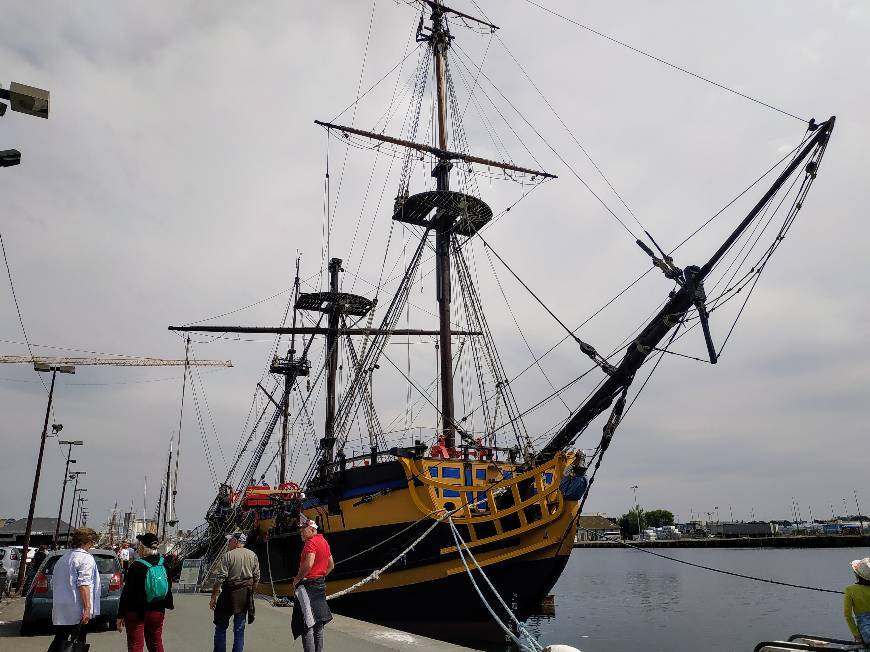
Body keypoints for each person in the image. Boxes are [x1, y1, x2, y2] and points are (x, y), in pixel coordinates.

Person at [117, 532, 174, 652]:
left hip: (136, 611)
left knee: (135, 645)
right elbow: (169, 585)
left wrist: (120, 614)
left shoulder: (136, 566)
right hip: (157, 609)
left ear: (143, 547)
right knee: (156, 642)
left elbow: (127, 593)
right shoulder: (163, 563)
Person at [49, 528, 100, 652]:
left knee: (61, 639)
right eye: (92, 542)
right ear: (88, 541)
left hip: (62, 605)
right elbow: (83, 584)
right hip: (77, 606)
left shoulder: (64, 558)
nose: (92, 546)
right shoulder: (86, 558)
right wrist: (87, 608)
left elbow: (53, 582)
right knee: (78, 642)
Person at [210, 532, 260, 652]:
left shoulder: (228, 555)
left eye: (230, 540)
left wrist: (213, 597)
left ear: (236, 541)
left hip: (229, 594)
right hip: (244, 595)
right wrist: (251, 593)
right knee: (239, 628)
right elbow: (257, 577)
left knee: (221, 627)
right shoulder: (252, 555)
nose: (229, 542)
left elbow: (220, 578)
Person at [291, 519, 334, 652]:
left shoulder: (311, 542)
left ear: (312, 530)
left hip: (307, 587)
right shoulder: (324, 542)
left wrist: (297, 579)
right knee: (319, 624)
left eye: (303, 529)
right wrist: (320, 576)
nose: (301, 532)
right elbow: (331, 565)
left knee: (307, 625)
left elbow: (309, 563)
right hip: (320, 586)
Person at [845, 557, 870, 646]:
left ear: (857, 574)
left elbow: (847, 615)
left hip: (866, 632)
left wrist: (856, 634)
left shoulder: (850, 590)